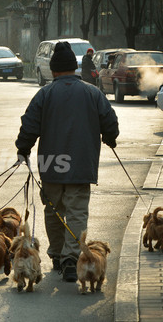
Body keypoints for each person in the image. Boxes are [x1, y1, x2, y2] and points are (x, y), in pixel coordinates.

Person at [15, 42, 119, 283]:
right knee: (77, 213)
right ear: (74, 68)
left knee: (53, 212)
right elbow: (109, 120)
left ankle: (56, 255)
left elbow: (29, 125)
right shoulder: (92, 92)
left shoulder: (45, 94)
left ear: (53, 70)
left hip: (51, 165)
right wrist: (110, 138)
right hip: (82, 165)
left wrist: (23, 148)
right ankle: (72, 259)